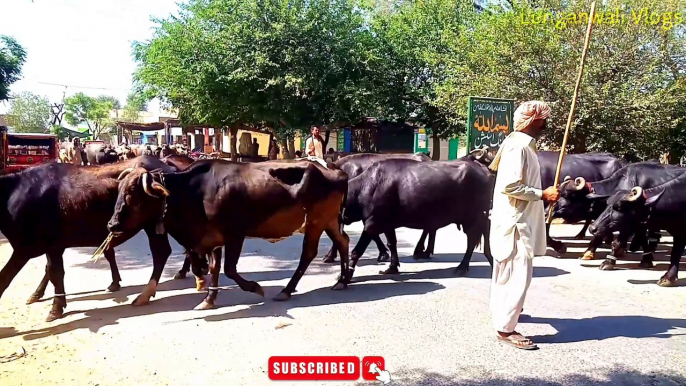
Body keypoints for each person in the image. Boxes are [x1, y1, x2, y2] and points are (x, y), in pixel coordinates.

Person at [487, 100, 559, 351]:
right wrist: (543, 194)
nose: (546, 124)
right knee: (518, 276)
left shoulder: (520, 144)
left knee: (505, 273)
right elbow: (510, 186)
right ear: (533, 121)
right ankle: (506, 330)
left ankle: (503, 315)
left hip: (514, 221)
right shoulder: (518, 148)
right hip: (517, 224)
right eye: (543, 120)